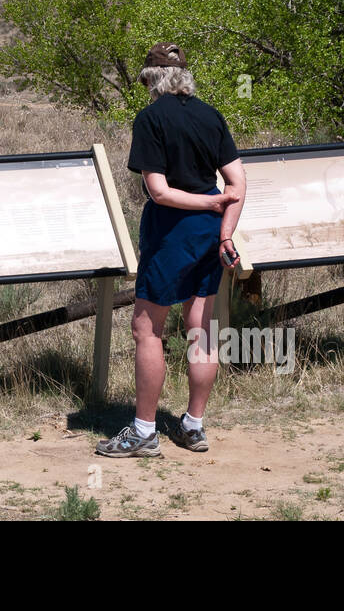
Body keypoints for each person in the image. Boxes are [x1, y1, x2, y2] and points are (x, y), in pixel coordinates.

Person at [96, 42, 246, 458]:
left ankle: (144, 432)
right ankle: (193, 427)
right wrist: (224, 231)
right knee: (201, 329)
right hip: (208, 235)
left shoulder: (149, 119)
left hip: (170, 234)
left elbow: (159, 191)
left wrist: (205, 203)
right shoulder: (210, 115)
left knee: (148, 330)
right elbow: (237, 184)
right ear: (184, 77)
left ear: (151, 79)